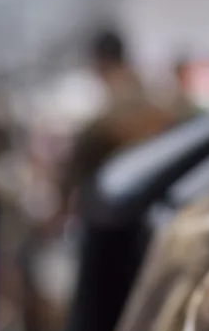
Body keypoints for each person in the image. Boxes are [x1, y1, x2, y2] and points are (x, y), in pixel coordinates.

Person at [54, 29, 175, 222]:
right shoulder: (158, 99)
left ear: (99, 63)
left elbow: (78, 166)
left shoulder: (107, 119)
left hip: (128, 216)